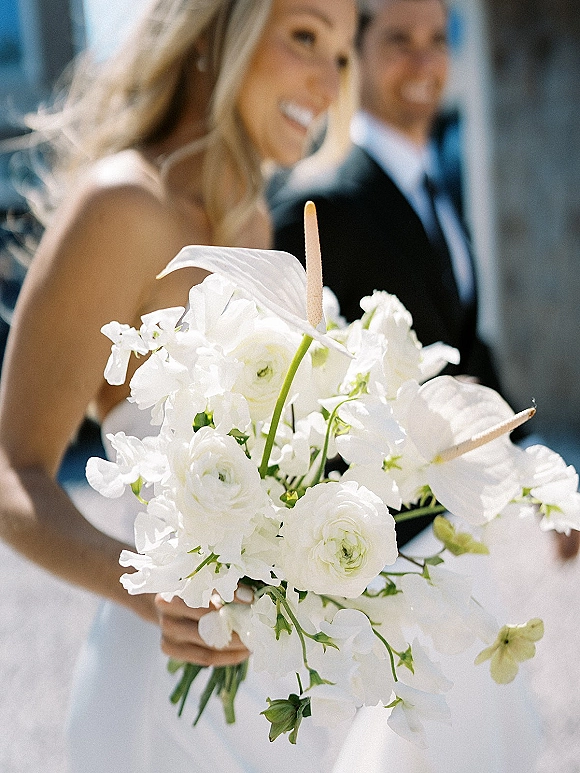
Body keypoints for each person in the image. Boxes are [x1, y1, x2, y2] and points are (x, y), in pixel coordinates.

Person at [0, 1, 356, 771]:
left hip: (257, 689)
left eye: (342, 53)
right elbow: (11, 471)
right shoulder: (124, 206)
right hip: (156, 687)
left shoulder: (256, 222)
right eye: (305, 36)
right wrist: (149, 591)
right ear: (218, 33)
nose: (327, 82)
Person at [271, 2, 543, 771]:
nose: (423, 62)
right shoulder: (324, 206)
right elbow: (292, 400)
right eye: (399, 42)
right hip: (393, 563)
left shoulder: (436, 184)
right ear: (354, 56)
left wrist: (542, 475)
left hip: (459, 540)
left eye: (437, 41)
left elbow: (468, 347)